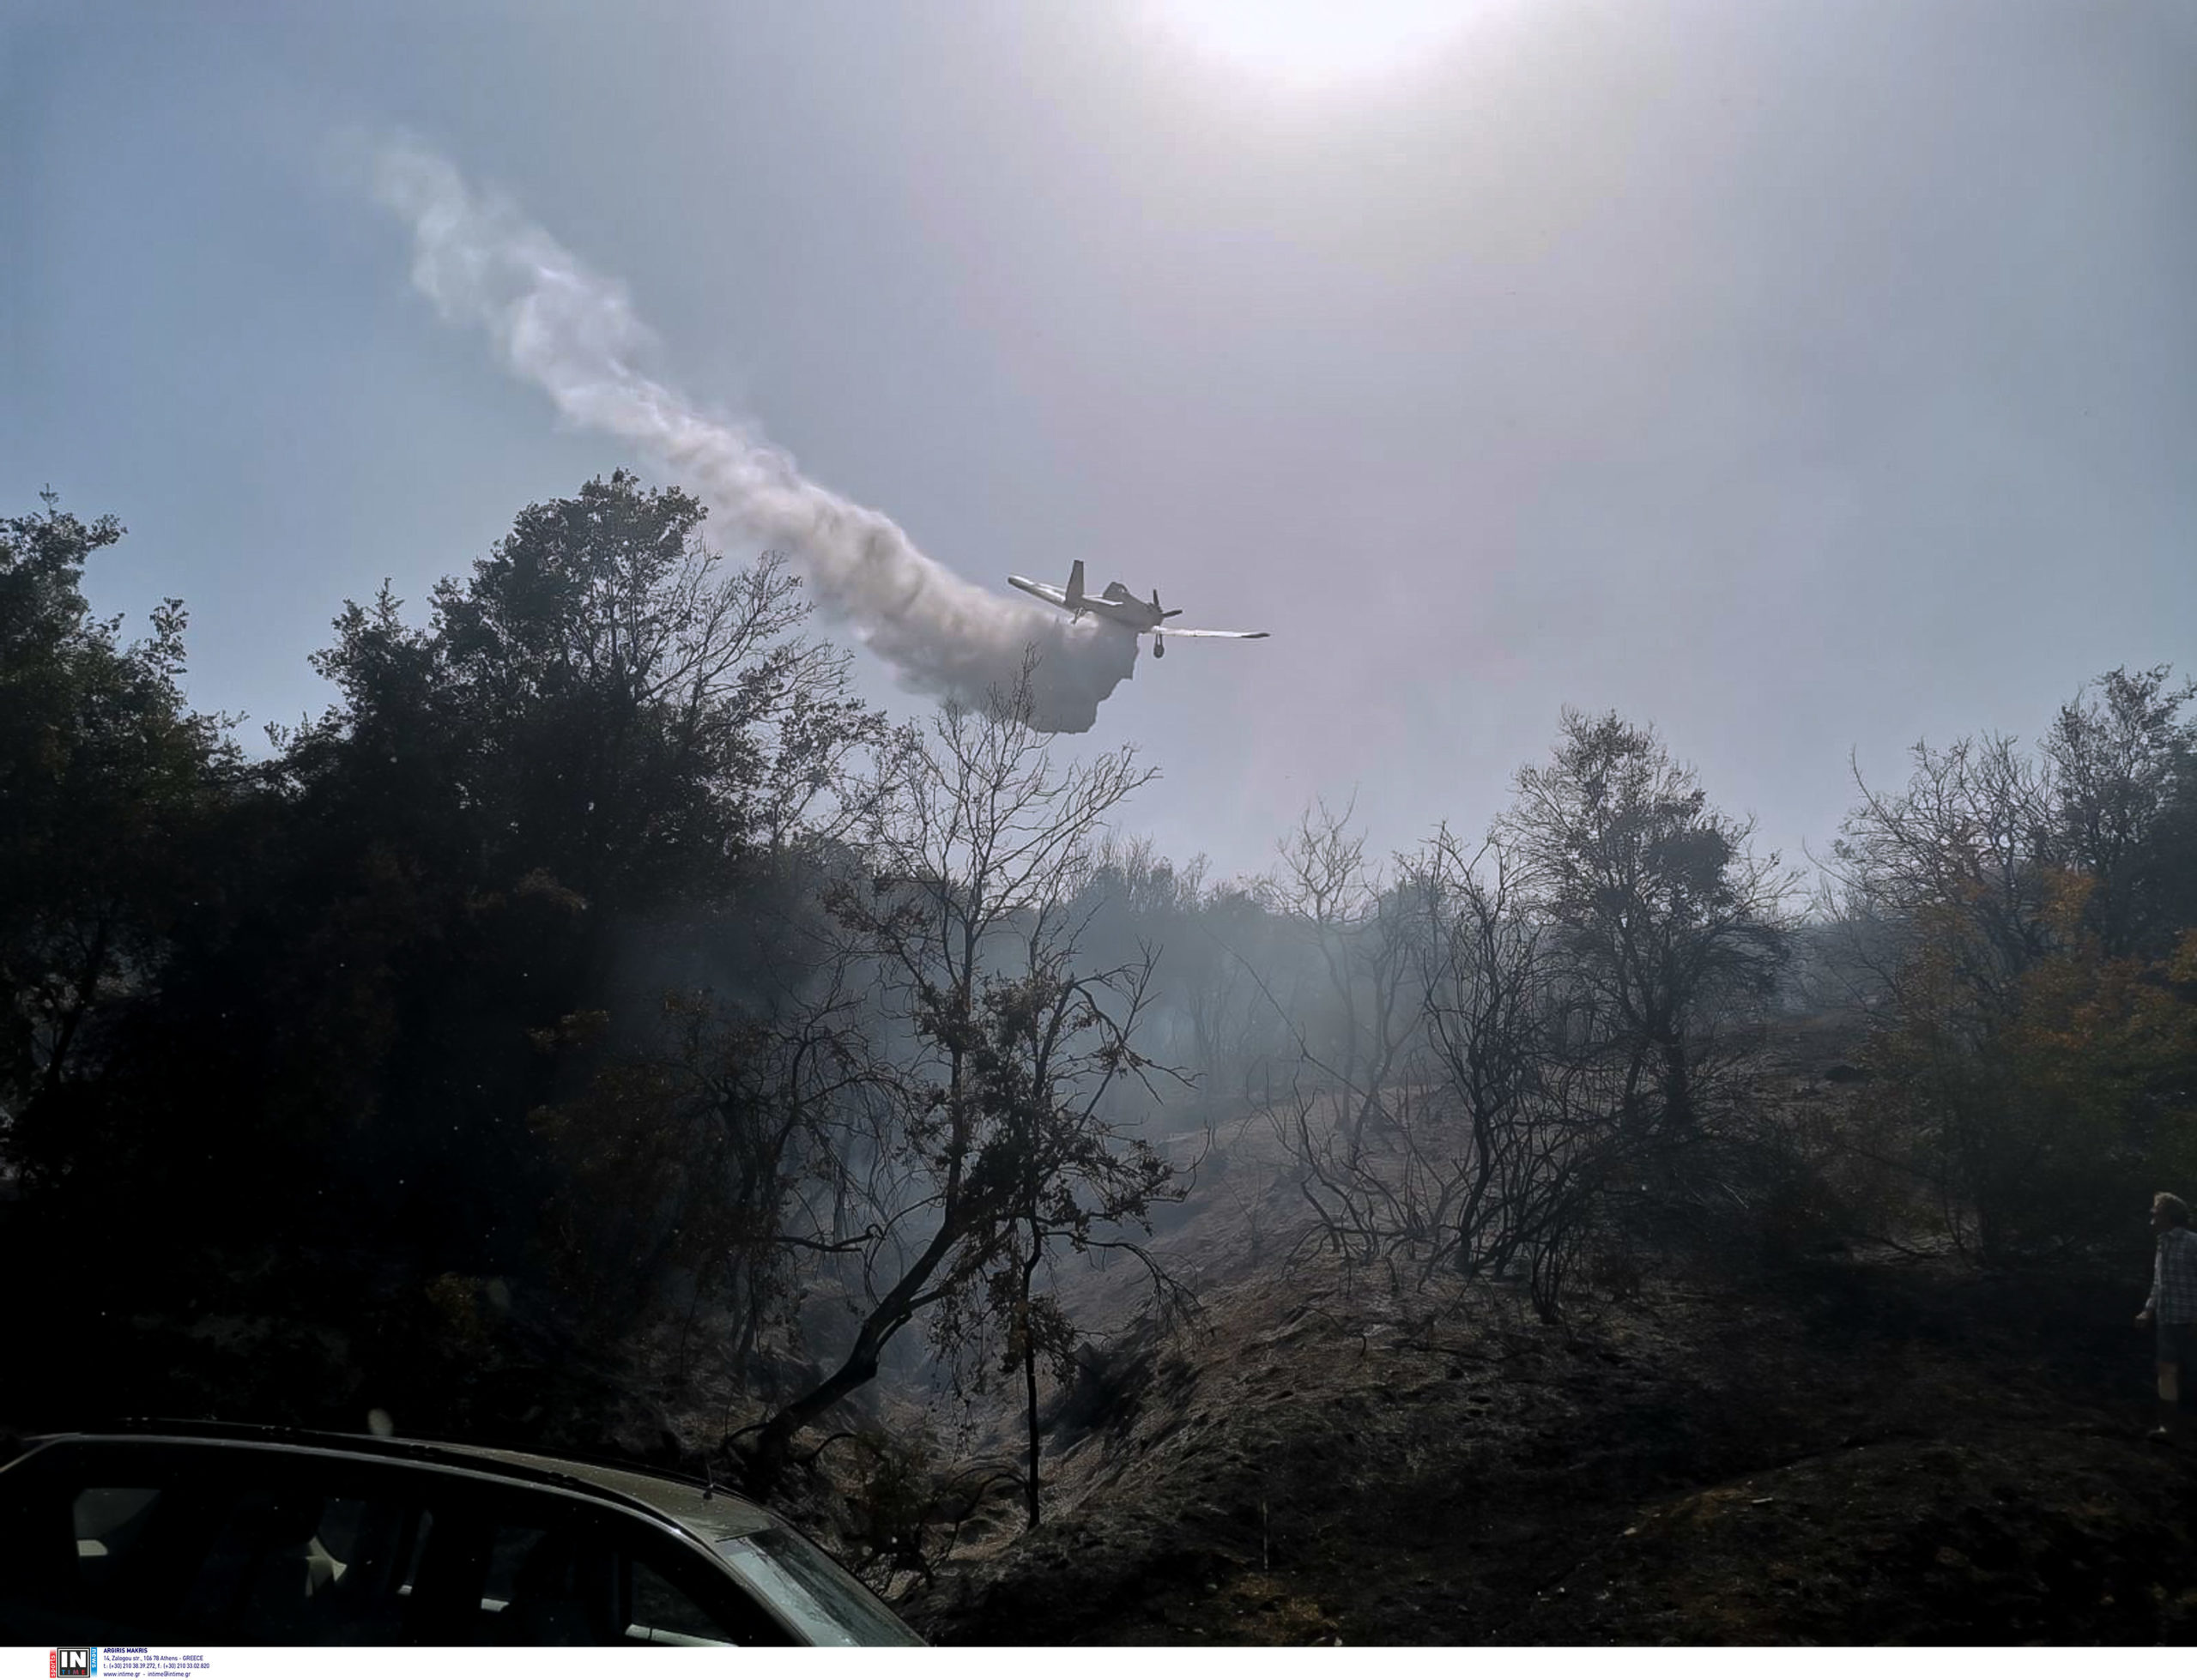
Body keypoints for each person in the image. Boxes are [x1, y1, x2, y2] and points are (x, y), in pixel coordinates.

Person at [2135, 1192, 2197, 1443]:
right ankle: (2167, 1427)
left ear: (2170, 1215)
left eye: (2157, 1211)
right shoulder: (2162, 1244)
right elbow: (2159, 1283)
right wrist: (2148, 1310)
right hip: (2166, 1319)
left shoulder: (2193, 1242)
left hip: (2190, 1321)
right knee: (2166, 1370)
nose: (2153, 1214)